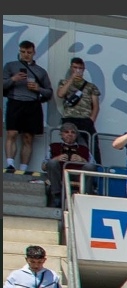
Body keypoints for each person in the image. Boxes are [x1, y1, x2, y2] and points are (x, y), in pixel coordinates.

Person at [4, 41, 53, 173]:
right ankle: (10, 164)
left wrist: (38, 88)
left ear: (34, 52)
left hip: (32, 104)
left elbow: (49, 92)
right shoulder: (10, 66)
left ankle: (23, 168)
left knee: (28, 137)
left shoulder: (41, 71)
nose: (26, 55)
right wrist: (13, 79)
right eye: (23, 52)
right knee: (11, 133)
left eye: (29, 52)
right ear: (19, 51)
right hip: (15, 101)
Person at [43, 122, 91, 208]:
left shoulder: (84, 149)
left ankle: (85, 196)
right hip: (59, 175)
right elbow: (43, 166)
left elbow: (94, 166)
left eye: (73, 132)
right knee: (52, 162)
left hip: (77, 175)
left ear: (76, 135)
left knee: (90, 167)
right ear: (61, 134)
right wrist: (56, 159)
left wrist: (82, 160)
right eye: (66, 132)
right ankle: (56, 195)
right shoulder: (54, 146)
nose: (70, 134)